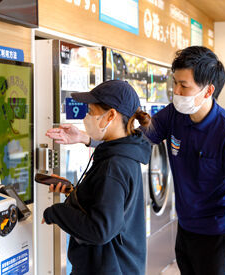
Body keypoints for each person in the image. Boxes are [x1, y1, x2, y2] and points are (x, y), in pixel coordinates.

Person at [46, 46, 225, 275]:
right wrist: (86, 138)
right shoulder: (173, 116)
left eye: (183, 86)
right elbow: (132, 141)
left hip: (217, 236)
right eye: (174, 83)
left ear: (208, 91)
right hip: (185, 230)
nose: (175, 91)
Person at [42, 80, 152, 275]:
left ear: (110, 115)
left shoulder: (114, 166)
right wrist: (72, 192)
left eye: (91, 111)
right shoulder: (125, 154)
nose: (86, 117)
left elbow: (100, 230)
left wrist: (55, 213)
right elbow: (107, 204)